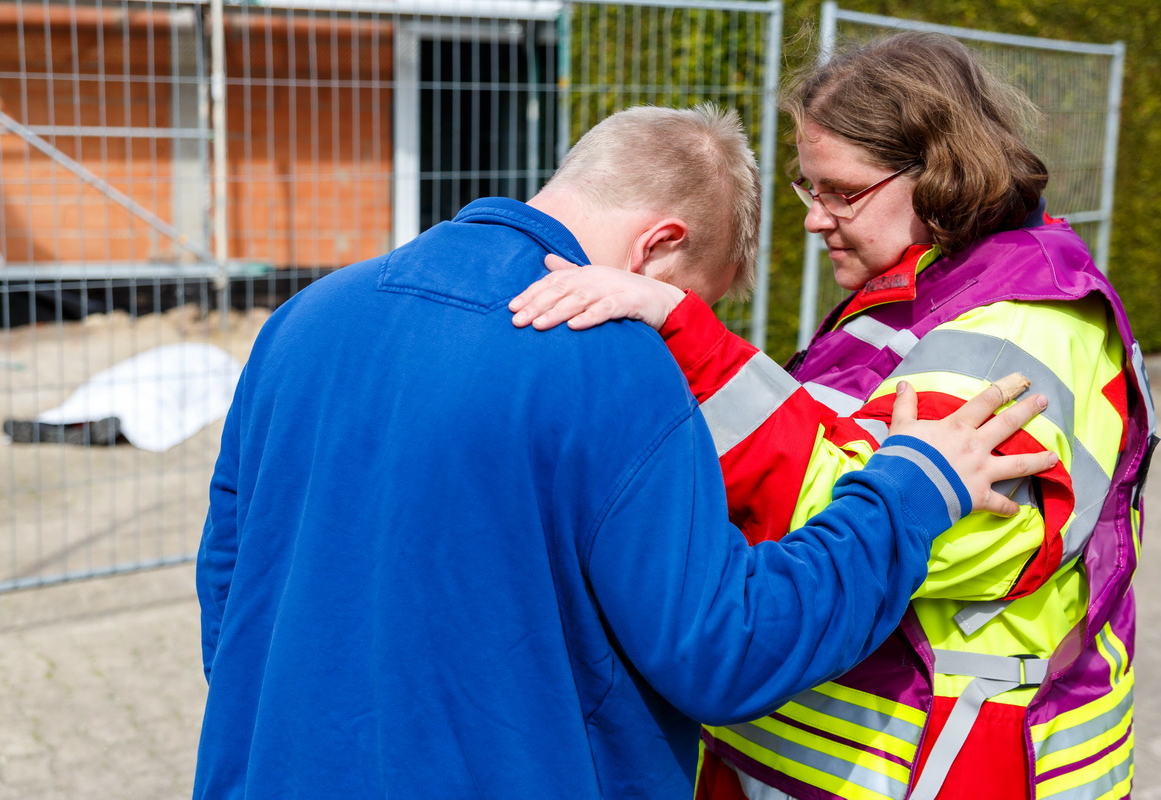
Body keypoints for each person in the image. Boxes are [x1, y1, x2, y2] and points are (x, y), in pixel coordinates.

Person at [194, 103, 1055, 800]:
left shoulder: (306, 318)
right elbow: (725, 648)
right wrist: (909, 490)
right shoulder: (611, 355)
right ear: (658, 246)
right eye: (677, 299)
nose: (668, 326)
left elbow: (230, 586)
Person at [510, 34, 1156, 800]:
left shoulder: (1019, 326)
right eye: (807, 187)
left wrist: (693, 340)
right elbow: (850, 458)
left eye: (840, 191)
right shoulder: (922, 291)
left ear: (938, 172)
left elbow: (887, 524)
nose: (816, 220)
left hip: (954, 763)